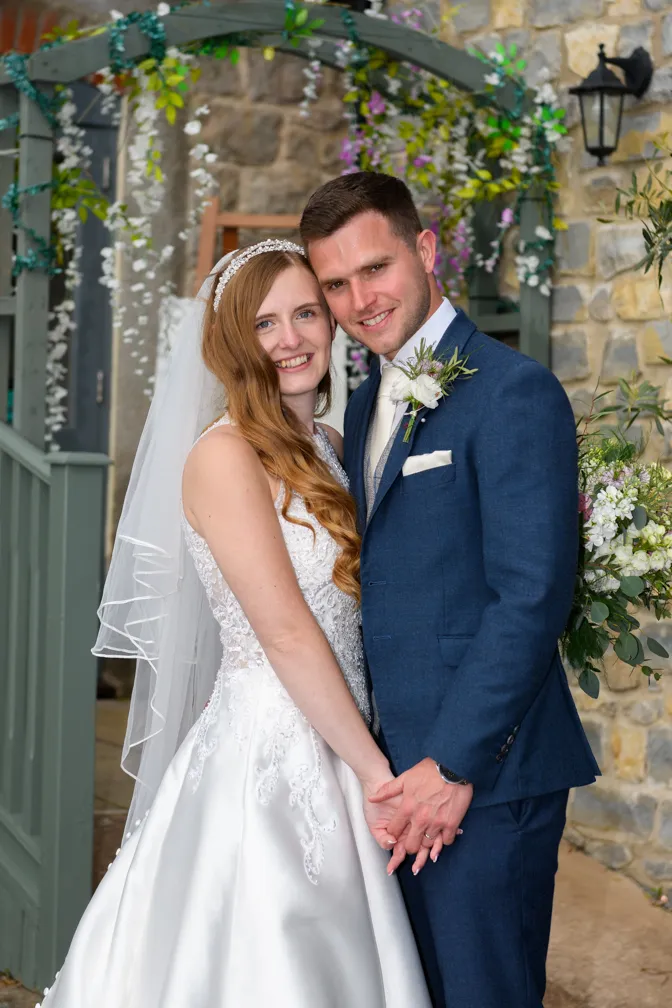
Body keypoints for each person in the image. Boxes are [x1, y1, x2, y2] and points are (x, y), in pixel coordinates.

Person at [37, 240, 431, 1008]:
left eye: (307, 313)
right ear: (230, 344)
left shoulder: (334, 446)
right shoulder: (223, 458)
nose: (292, 339)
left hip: (349, 738)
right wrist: (376, 774)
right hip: (273, 756)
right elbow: (284, 631)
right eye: (265, 324)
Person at [300, 171, 601, 1008]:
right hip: (398, 786)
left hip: (484, 783)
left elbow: (530, 597)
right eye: (335, 283)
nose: (359, 299)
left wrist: (455, 765)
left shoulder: (514, 391)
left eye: (376, 268)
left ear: (425, 250)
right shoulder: (362, 411)